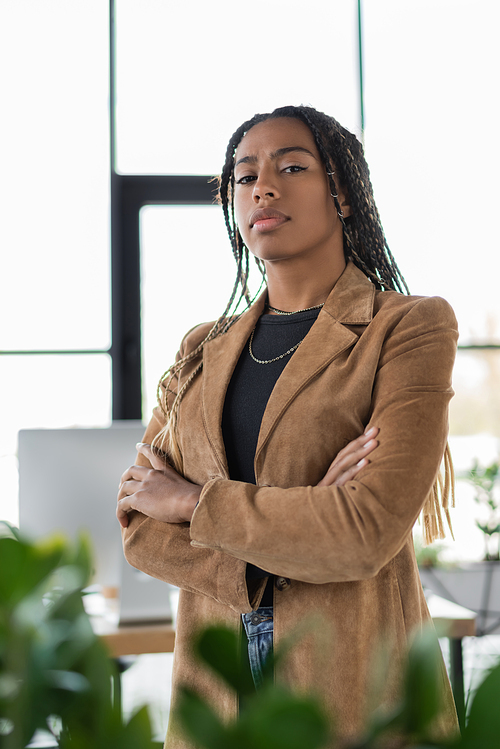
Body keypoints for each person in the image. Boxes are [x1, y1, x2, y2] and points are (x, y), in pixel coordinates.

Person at [117, 105, 458, 748]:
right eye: (244, 177)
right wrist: (301, 524)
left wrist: (193, 503)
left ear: (345, 195)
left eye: (292, 166)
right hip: (215, 698)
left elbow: (364, 532)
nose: (262, 187)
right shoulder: (200, 349)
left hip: (352, 684)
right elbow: (140, 527)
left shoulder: (407, 328)